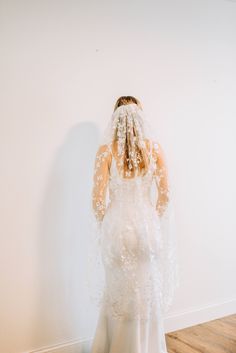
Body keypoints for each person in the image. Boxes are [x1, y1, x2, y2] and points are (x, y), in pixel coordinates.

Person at [89, 96, 179, 353]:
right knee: (144, 294)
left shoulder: (106, 151)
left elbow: (97, 200)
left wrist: (107, 223)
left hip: (118, 230)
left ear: (115, 119)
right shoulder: (155, 148)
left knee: (118, 292)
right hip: (146, 229)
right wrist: (152, 218)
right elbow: (166, 195)